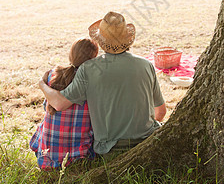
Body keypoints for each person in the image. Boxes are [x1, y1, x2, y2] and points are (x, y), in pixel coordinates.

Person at [39, 12, 166, 155]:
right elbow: (161, 112)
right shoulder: (146, 65)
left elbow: (59, 103)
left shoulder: (89, 69)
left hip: (110, 149)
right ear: (128, 39)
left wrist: (42, 84)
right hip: (147, 143)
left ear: (101, 41)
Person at [30, 39, 99, 169]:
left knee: (43, 125)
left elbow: (47, 106)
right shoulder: (91, 80)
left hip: (48, 155)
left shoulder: (52, 74)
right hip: (78, 155)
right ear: (93, 59)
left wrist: (42, 83)